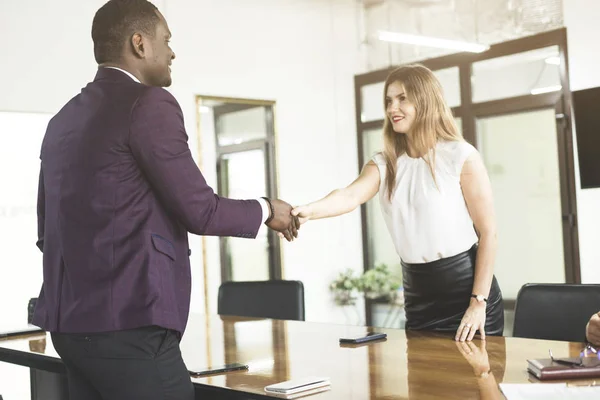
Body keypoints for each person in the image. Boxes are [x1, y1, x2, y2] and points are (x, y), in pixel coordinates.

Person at [32, 1, 299, 399]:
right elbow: (200, 210)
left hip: (69, 328)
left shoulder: (63, 120)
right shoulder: (148, 103)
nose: (172, 52)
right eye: (166, 41)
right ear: (140, 44)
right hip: (130, 332)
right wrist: (267, 210)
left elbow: (46, 227)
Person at [293, 64, 503, 341]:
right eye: (389, 101)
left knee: (474, 383)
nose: (393, 108)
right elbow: (349, 195)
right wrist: (310, 210)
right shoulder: (385, 163)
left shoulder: (460, 155)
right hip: (418, 298)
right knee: (421, 383)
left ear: (425, 100)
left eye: (403, 98)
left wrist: (478, 302)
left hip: (466, 294)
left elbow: (488, 232)